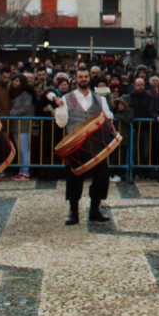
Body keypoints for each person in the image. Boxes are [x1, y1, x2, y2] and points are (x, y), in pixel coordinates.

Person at [52, 67, 115, 226]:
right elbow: (61, 123)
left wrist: (110, 120)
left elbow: (108, 116)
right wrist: (59, 109)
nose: (83, 79)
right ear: (75, 78)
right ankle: (73, 212)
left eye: (86, 76)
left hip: (97, 145)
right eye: (80, 77)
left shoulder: (100, 99)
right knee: (74, 179)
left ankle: (95, 210)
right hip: (76, 146)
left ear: (89, 78)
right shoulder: (67, 98)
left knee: (101, 177)